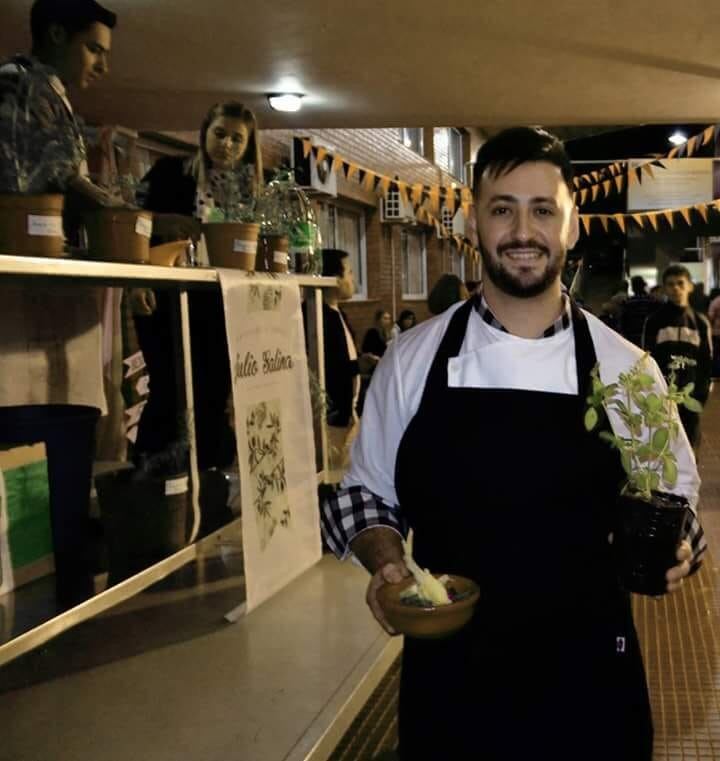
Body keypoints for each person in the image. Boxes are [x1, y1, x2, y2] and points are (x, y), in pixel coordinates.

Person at [321, 127, 705, 760]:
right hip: (453, 685)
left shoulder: (627, 368)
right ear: (475, 222)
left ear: (572, 225)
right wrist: (385, 558)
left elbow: (676, 498)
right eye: (503, 209)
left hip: (591, 685)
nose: (522, 231)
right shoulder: (413, 359)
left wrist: (679, 547)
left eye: (542, 210)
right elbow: (365, 495)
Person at [0, 0, 119, 608]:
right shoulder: (31, 86)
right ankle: (60, 605)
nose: (101, 63)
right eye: (93, 48)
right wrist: (124, 218)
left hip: (31, 322)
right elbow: (63, 183)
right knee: (45, 487)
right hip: (28, 318)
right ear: (55, 34)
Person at [132, 101, 262, 471]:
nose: (227, 145)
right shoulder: (170, 173)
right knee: (170, 386)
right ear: (204, 132)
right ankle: (153, 476)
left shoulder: (250, 192)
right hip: (169, 298)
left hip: (222, 303)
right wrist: (160, 228)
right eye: (220, 134)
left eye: (237, 139)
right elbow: (132, 219)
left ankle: (209, 477)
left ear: (248, 145)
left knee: (215, 389)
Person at [316, 249, 376, 473]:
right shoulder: (316, 316)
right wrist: (356, 366)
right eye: (349, 273)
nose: (354, 280)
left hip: (348, 416)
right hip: (330, 422)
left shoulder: (338, 314)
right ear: (333, 278)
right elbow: (325, 366)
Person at [643, 264, 712, 449]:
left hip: (690, 398)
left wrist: (700, 396)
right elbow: (647, 360)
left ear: (690, 286)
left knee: (690, 450)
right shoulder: (654, 321)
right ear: (664, 288)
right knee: (664, 451)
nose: (676, 288)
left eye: (681, 283)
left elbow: (706, 363)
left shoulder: (700, 323)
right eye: (671, 284)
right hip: (663, 396)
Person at [357, 310, 393, 415]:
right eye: (384, 318)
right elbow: (366, 349)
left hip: (382, 364)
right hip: (373, 364)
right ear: (378, 320)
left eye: (389, 318)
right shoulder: (372, 332)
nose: (387, 321)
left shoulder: (387, 334)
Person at [619, 274, 660, 347]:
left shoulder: (628, 302)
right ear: (643, 286)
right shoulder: (652, 301)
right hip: (649, 336)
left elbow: (623, 321)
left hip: (632, 337)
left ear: (633, 288)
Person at [708, 287, 720, 378]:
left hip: (716, 332)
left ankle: (716, 374)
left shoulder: (716, 301)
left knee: (716, 354)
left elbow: (710, 317)